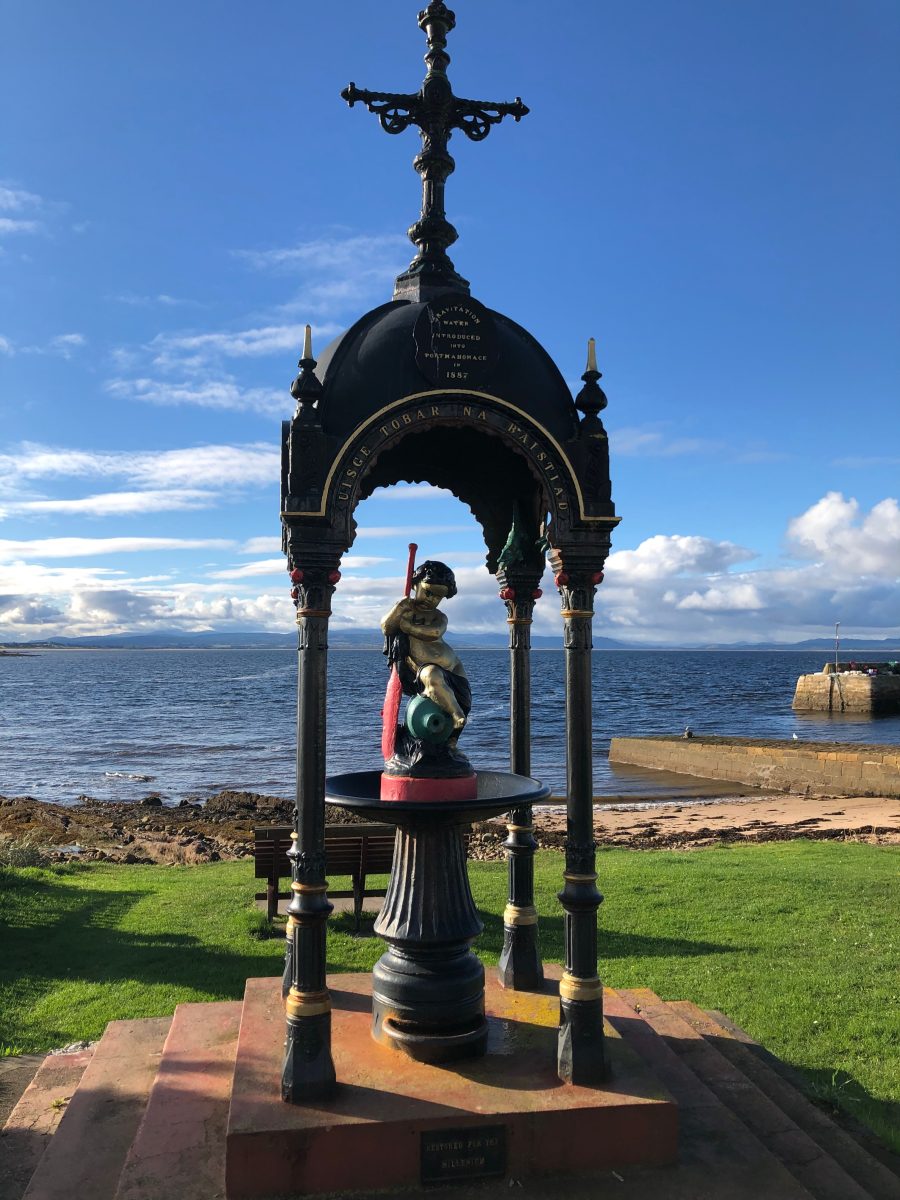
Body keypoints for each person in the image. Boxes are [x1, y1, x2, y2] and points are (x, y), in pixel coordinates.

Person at [381, 560, 471, 744]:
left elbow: (434, 632)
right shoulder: (404, 610)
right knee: (432, 675)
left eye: (438, 597)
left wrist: (407, 627)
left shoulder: (439, 616)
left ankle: (452, 740)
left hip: (454, 667)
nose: (431, 599)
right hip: (425, 669)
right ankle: (456, 714)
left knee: (464, 699)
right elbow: (386, 627)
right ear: (415, 584)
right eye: (428, 592)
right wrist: (399, 607)